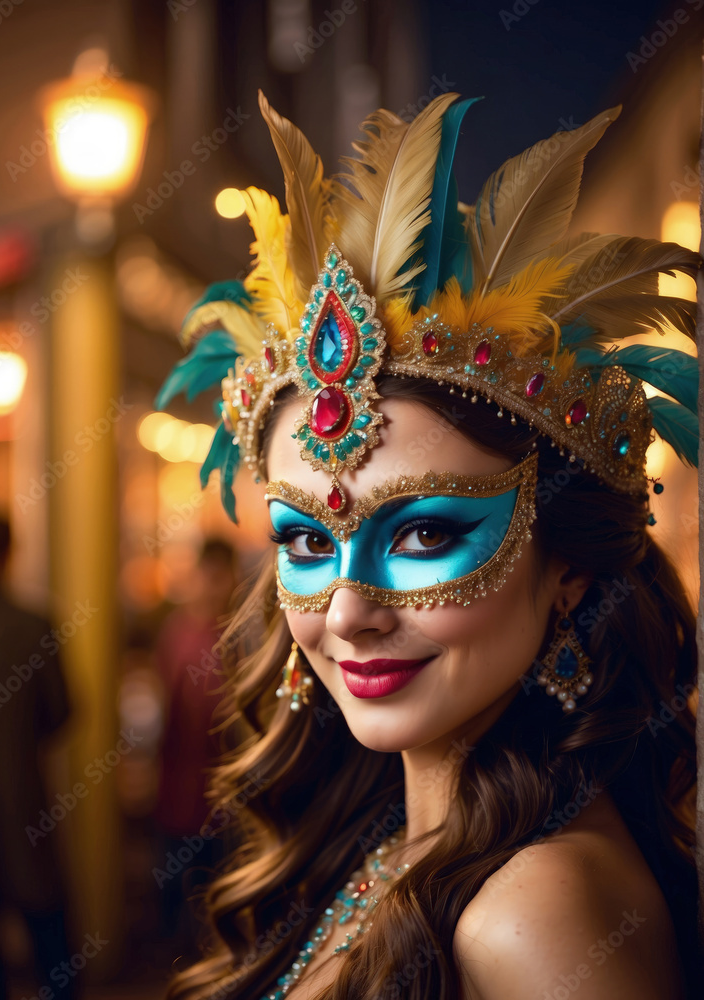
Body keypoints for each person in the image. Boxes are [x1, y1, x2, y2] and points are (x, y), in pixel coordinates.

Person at [155, 90, 701, 999]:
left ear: (566, 572)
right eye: (304, 539)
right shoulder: (400, 837)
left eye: (422, 532)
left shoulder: (538, 911)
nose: (349, 612)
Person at [0, 516, 78, 999]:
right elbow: (64, 712)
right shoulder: (31, 624)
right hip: (25, 809)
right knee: (53, 955)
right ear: (10, 554)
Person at [153, 538, 238, 961]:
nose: (211, 586)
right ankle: (176, 960)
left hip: (224, 786)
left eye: (221, 577)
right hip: (176, 779)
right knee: (175, 880)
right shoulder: (176, 633)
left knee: (217, 883)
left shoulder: (239, 638)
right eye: (207, 576)